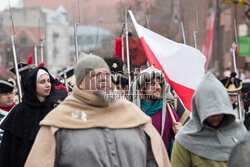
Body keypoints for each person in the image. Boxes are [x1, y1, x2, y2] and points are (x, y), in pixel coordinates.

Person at [25, 54, 170, 167]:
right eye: (94, 75)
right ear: (80, 83)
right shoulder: (58, 121)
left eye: (106, 75)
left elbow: (156, 160)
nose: (103, 79)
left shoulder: (133, 115)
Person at [171, 72, 247, 167]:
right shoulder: (184, 140)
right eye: (209, 111)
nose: (215, 116)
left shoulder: (240, 132)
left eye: (219, 110)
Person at [0, 66, 56, 167]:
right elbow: (7, 151)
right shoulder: (18, 112)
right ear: (33, 85)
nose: (48, 85)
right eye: (42, 82)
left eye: (48, 81)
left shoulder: (56, 109)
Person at [129, 66, 182, 158]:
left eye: (159, 84)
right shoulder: (131, 112)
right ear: (141, 89)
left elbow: (182, 143)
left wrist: (181, 133)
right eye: (153, 84)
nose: (158, 87)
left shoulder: (168, 111)